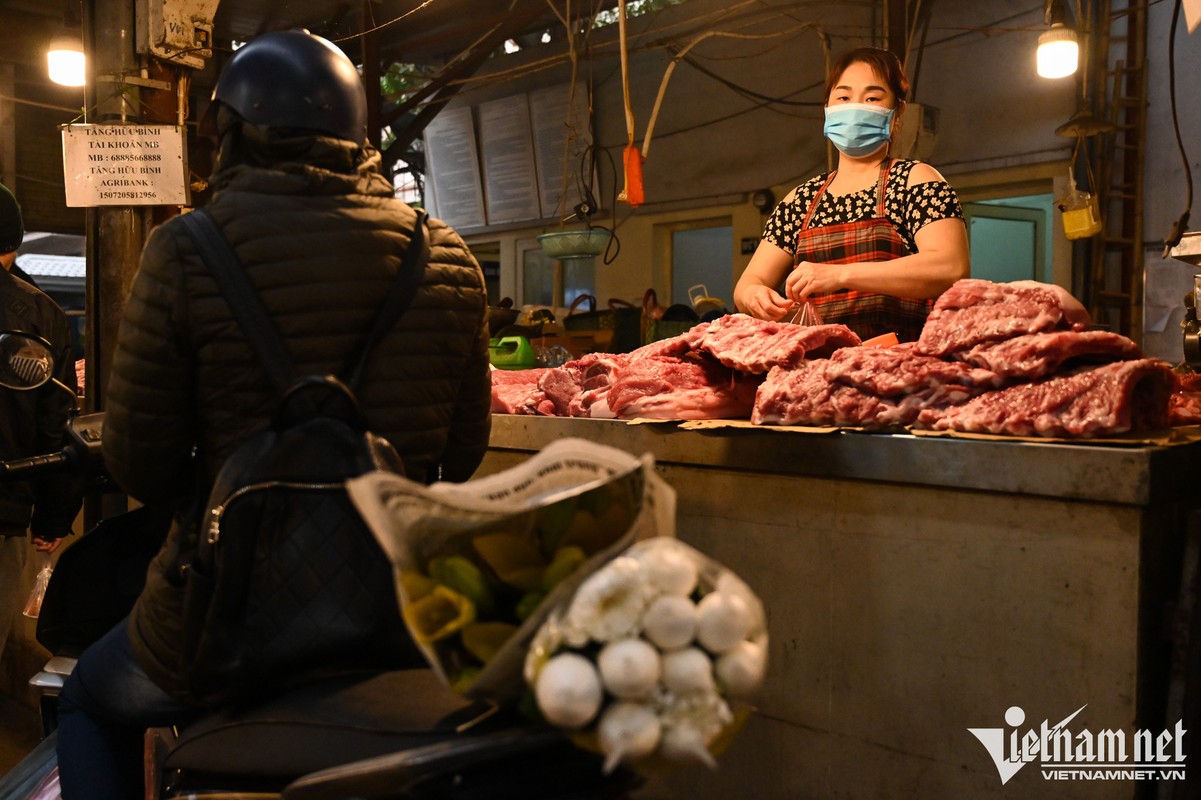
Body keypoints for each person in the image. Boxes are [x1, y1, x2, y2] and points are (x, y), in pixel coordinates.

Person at [54, 30, 493, 800]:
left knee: (88, 700)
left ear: (233, 131)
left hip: (223, 624)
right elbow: (459, 458)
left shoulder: (185, 249)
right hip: (396, 616)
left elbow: (142, 466)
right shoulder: (447, 256)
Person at [733, 46, 970, 343]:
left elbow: (950, 267)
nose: (855, 107)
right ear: (828, 110)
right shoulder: (801, 200)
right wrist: (755, 295)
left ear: (897, 113)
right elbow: (747, 284)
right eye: (843, 97)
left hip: (900, 371)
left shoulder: (915, 181)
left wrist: (840, 275)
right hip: (817, 372)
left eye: (872, 98)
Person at [0, 182, 80, 668]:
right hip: (4, 503)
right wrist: (52, 517)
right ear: (13, 242)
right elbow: (58, 426)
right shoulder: (40, 314)